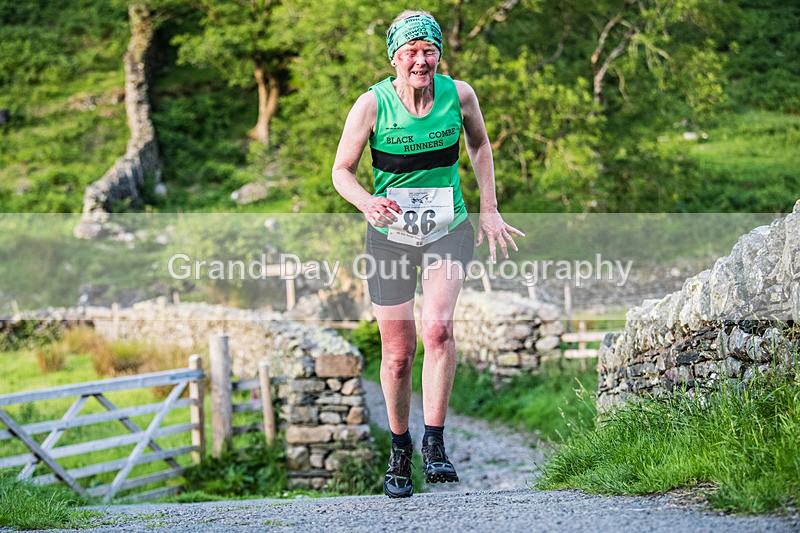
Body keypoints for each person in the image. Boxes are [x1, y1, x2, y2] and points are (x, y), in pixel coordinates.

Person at [332, 10, 523, 498]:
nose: (421, 59)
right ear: (395, 57)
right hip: (391, 235)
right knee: (398, 354)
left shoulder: (459, 96)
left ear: (439, 53)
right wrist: (366, 201)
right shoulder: (371, 105)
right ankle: (400, 447)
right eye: (411, 51)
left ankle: (434, 442)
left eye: (429, 50)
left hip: (447, 228)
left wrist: (489, 209)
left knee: (438, 329)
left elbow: (480, 146)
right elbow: (342, 171)